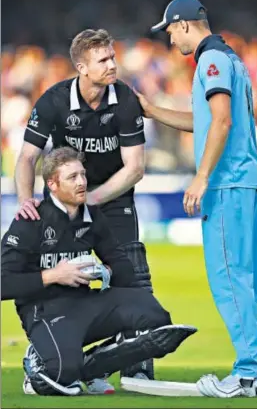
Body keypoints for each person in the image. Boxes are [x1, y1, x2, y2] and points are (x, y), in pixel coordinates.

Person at [135, 0, 257, 397]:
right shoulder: (229, 58)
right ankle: (256, 368)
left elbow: (222, 121)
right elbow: (207, 120)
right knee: (242, 279)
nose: (170, 39)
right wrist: (154, 110)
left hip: (226, 183)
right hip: (242, 181)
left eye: (171, 30)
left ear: (184, 24)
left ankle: (248, 371)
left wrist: (201, 177)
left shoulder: (210, 60)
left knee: (229, 279)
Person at [14, 28, 154, 391]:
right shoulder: (53, 101)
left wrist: (92, 199)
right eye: (103, 60)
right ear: (81, 67)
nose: (113, 65)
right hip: (64, 199)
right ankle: (46, 350)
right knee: (59, 278)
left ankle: (136, 364)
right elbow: (28, 156)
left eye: (113, 56)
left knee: (132, 276)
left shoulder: (124, 99)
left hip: (114, 196)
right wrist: (25, 199)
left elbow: (135, 167)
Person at [2, 147, 197, 396]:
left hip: (85, 303)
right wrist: (53, 275)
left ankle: (96, 365)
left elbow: (120, 264)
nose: (82, 182)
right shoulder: (30, 220)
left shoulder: (92, 215)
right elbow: (3, 283)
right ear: (52, 183)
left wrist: (105, 271)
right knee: (63, 378)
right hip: (45, 312)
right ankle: (40, 361)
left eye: (83, 175)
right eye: (72, 177)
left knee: (155, 318)